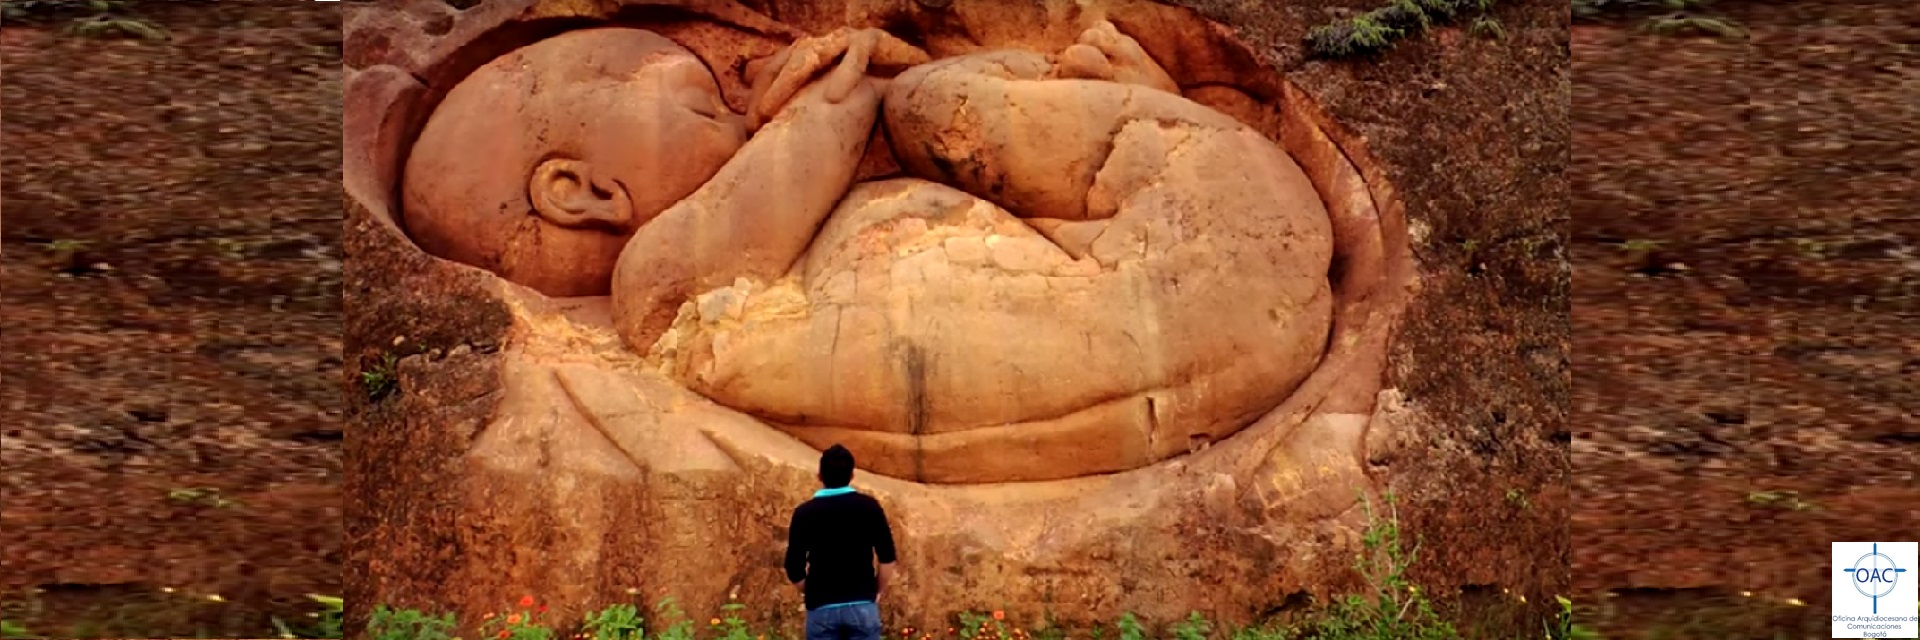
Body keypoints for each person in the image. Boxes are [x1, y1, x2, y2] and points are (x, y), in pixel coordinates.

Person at [784, 445, 897, 640]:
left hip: (821, 608)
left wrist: (812, 592)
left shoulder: (805, 512)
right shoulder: (869, 507)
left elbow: (793, 566)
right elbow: (887, 557)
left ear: (819, 475)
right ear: (852, 475)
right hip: (862, 604)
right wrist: (876, 591)